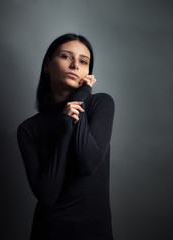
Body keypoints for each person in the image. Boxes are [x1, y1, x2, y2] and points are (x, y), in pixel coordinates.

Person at [17, 33, 115, 240]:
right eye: (65, 56)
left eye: (83, 61)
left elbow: (87, 163)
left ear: (88, 72)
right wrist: (64, 126)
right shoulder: (28, 129)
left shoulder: (101, 104)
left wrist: (80, 99)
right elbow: (47, 194)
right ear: (47, 65)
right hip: (49, 231)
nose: (75, 66)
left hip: (95, 232)